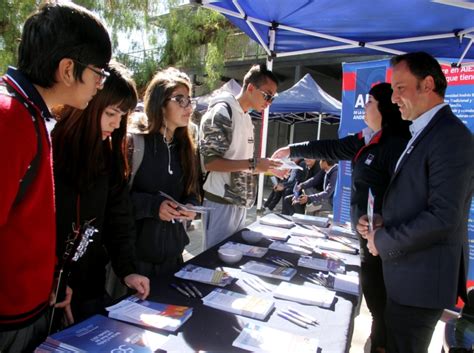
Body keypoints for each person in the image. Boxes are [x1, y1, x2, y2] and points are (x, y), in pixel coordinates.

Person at [0, 3, 111, 351]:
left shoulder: (30, 113)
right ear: (67, 69)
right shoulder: (10, 118)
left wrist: (48, 276)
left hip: (30, 305)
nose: (100, 83)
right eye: (99, 72)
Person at [272, 82, 411, 353]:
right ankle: (379, 341)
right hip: (365, 239)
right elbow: (331, 148)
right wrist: (293, 149)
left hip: (386, 242)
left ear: (384, 108)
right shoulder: (366, 139)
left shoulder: (397, 144)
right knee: (375, 301)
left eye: (369, 102)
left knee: (385, 304)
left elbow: (408, 194)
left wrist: (382, 219)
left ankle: (382, 344)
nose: (364, 106)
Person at [357, 52, 473, 353]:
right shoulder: (424, 131)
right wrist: (382, 220)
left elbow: (442, 217)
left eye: (400, 88)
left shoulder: (450, 137)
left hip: (421, 284)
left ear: (428, 84)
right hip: (407, 277)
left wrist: (382, 240)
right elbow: (415, 199)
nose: (394, 98)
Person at [52, 62, 150, 325]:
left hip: (90, 288)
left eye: (122, 116)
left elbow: (119, 218)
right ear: (89, 103)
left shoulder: (109, 156)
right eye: (110, 113)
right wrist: (51, 279)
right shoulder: (51, 146)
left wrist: (128, 270)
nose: (116, 124)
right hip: (43, 294)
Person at [199, 64, 281, 249]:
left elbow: (241, 161)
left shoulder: (245, 117)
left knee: (231, 258)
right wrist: (254, 165)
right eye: (267, 95)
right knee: (214, 260)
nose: (269, 102)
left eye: (273, 98)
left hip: (238, 201)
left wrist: (266, 167)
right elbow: (210, 162)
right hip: (221, 200)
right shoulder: (222, 111)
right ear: (251, 88)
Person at [129, 68, 200, 279]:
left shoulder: (186, 147)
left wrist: (191, 207)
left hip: (174, 258)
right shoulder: (135, 143)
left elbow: (193, 192)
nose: (188, 107)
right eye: (180, 99)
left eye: (189, 100)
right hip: (135, 264)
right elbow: (115, 201)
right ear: (159, 103)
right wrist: (153, 207)